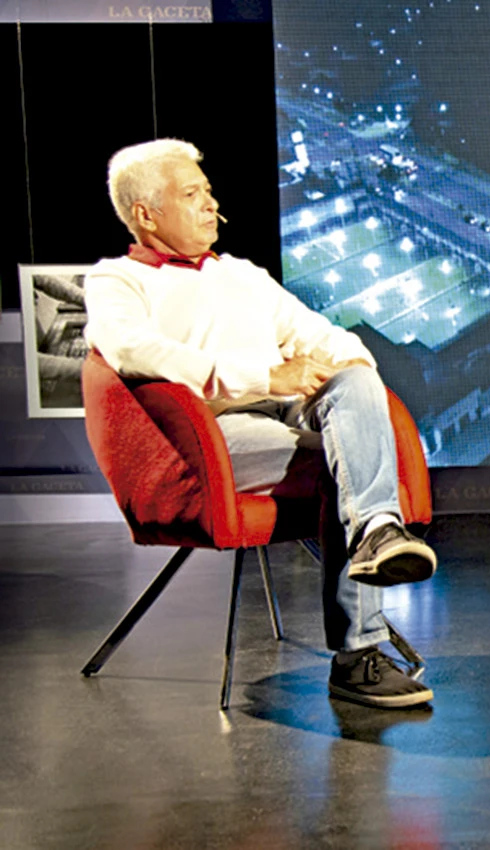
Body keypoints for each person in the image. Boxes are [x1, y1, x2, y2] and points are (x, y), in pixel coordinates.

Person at [85, 139, 439, 709]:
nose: (211, 204)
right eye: (192, 194)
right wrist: (263, 376)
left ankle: (377, 528)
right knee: (342, 466)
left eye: (208, 191)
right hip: (209, 438)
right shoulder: (117, 281)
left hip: (287, 414)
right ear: (146, 215)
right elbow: (132, 351)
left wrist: (346, 364)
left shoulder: (242, 275)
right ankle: (358, 659)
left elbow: (321, 334)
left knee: (355, 379)